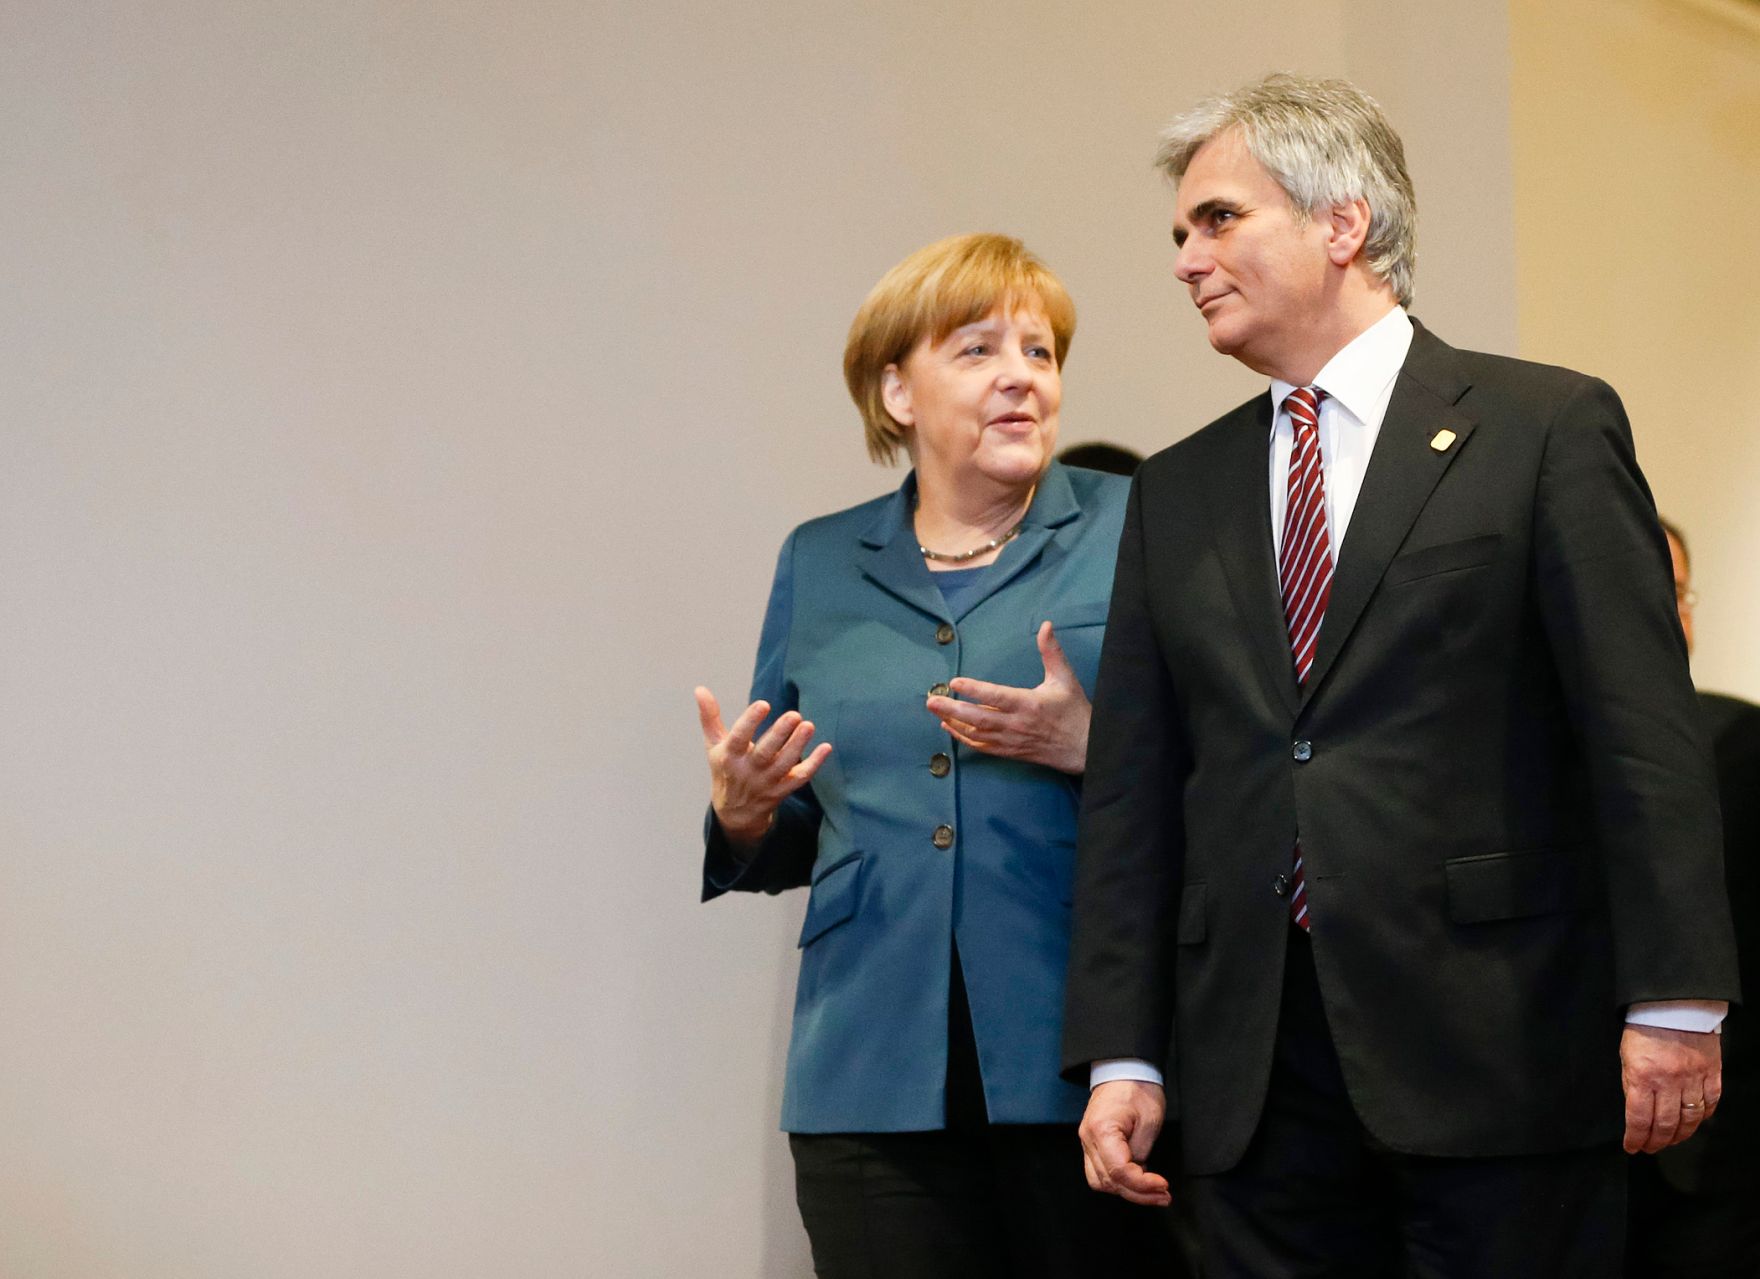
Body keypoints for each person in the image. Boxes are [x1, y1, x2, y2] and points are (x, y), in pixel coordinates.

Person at [1061, 73, 1739, 1277]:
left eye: (1217, 219)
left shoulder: (1542, 429)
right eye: (1178, 232)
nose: (1183, 260)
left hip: (1498, 1047)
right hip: (1250, 1075)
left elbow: (1639, 735)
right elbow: (1133, 790)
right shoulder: (1175, 491)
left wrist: (1675, 1002)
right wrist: (1122, 1052)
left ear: (1342, 222)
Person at [695, 233, 1175, 1278]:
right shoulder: (820, 558)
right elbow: (805, 813)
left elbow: (1234, 770)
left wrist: (1090, 747)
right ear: (896, 391)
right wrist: (744, 811)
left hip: (1086, 1058)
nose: (1020, 375)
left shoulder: (1139, 528)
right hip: (868, 1067)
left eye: (1039, 352)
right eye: (977, 349)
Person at [1626, 519, 1760, 1276]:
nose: (1665, 612)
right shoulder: (1502, 756)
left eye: (1677, 592)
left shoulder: (1747, 742)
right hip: (1542, 1148)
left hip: (1717, 1161)